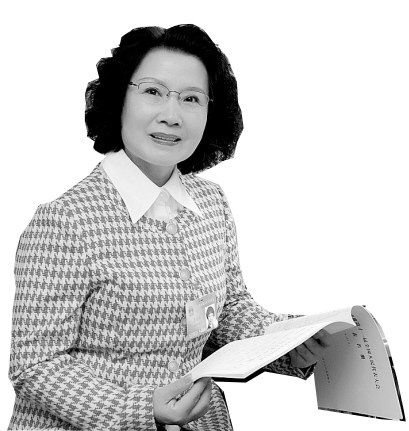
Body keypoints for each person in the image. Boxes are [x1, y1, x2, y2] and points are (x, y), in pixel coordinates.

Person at [8, 24, 331, 430]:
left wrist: (290, 341)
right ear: (119, 99)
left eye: (191, 98)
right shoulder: (64, 222)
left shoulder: (211, 203)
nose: (172, 115)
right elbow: (35, 365)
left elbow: (227, 311)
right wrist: (144, 408)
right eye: (153, 91)